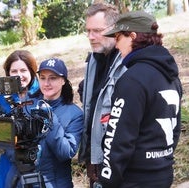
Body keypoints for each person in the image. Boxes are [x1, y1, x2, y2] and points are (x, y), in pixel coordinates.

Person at [97, 10, 183, 187]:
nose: (116, 45)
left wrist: (107, 179)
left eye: (119, 37)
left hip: (134, 180)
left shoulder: (132, 80)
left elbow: (118, 139)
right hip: (164, 174)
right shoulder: (171, 76)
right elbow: (175, 131)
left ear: (133, 36)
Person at [77, 2, 127, 187]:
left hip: (118, 160)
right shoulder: (93, 59)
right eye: (88, 31)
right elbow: (92, 109)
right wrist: (91, 155)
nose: (91, 37)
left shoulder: (127, 61)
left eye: (97, 30)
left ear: (115, 29)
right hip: (96, 158)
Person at [0, 50, 40, 188]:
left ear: (32, 71)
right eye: (14, 71)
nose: (19, 75)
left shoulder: (42, 92)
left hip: (37, 161)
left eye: (23, 70)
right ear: (8, 73)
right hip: (9, 160)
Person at [34, 57, 84, 187]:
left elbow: (66, 152)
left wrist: (50, 118)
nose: (46, 83)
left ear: (63, 80)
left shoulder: (75, 114)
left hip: (56, 183)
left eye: (53, 78)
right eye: (43, 78)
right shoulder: (30, 106)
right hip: (27, 180)